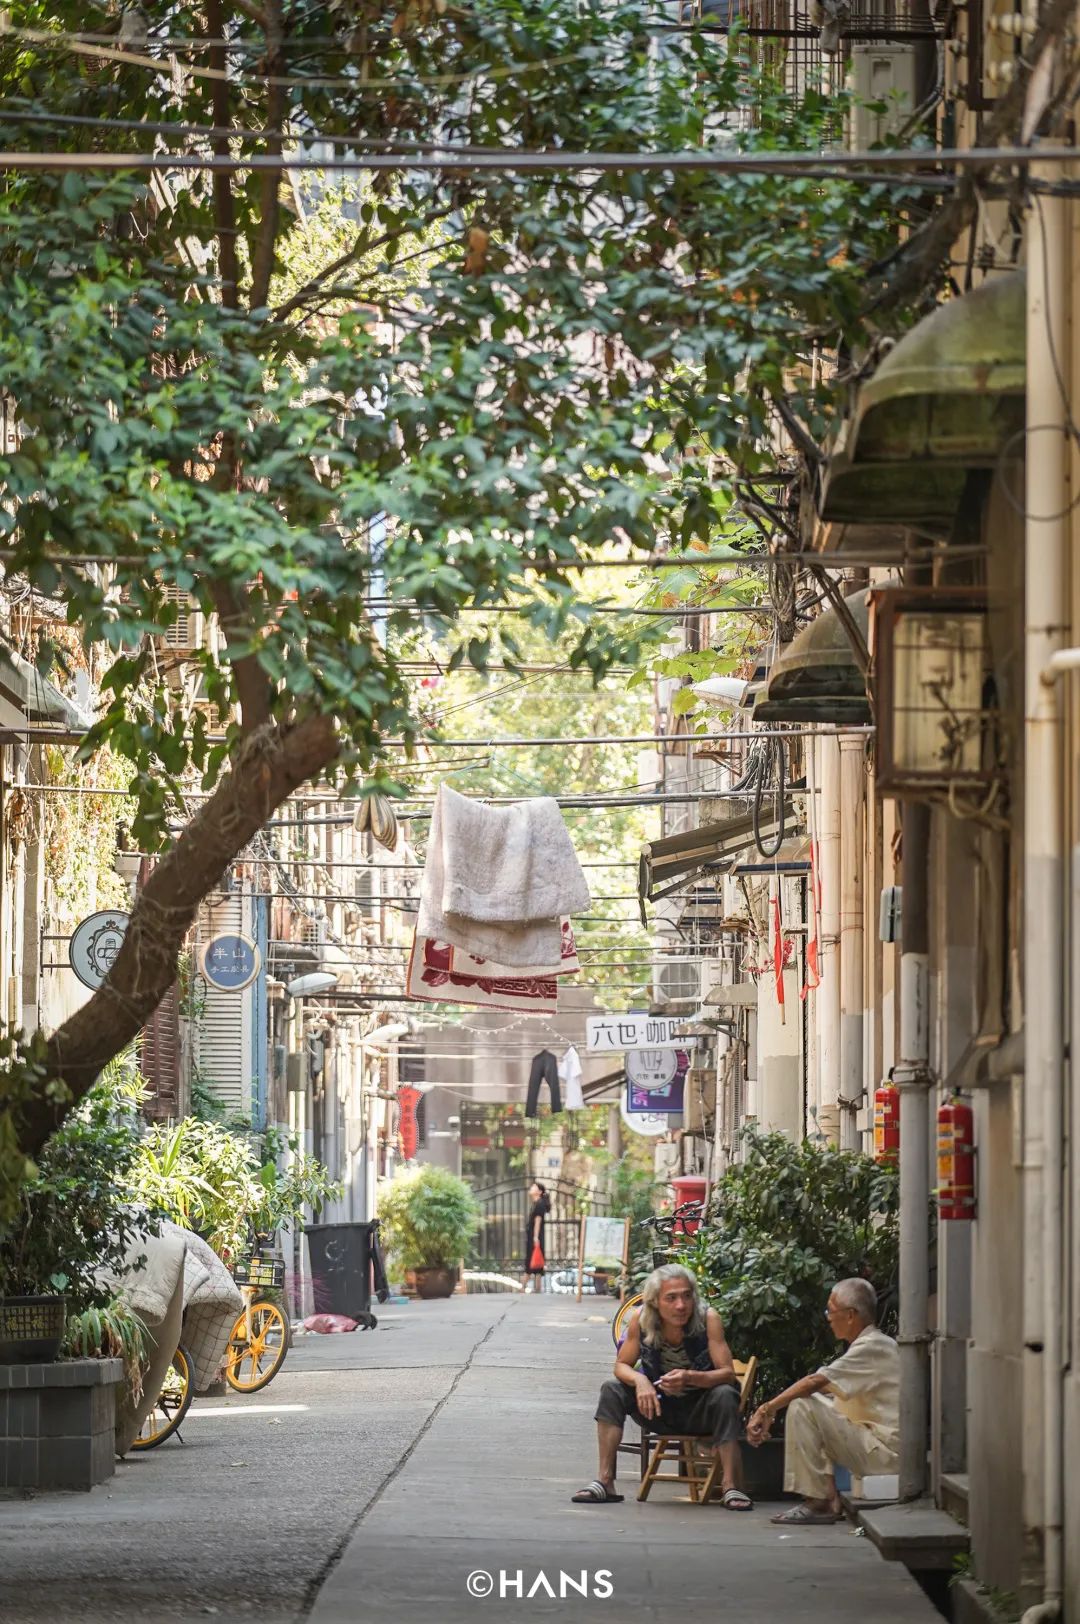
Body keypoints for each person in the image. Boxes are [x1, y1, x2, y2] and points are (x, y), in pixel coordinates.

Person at [571, 1263, 751, 1509]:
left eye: (687, 1296)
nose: (681, 1305)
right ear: (655, 1301)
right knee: (612, 1388)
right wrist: (640, 1380)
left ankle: (731, 1487)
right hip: (656, 1409)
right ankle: (605, 1482)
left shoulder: (708, 1318)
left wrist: (690, 1377)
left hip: (701, 1411)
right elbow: (621, 1365)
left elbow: (728, 1374)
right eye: (672, 1298)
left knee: (725, 1394)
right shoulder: (641, 1319)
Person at [746, 1276, 899, 1525]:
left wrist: (767, 1409)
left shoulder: (873, 1347)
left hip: (886, 1455)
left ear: (850, 1315)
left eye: (831, 1310)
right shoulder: (871, 1346)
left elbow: (813, 1382)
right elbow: (824, 1391)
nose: (828, 1317)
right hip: (878, 1448)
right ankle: (828, 1497)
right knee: (816, 1406)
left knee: (803, 1406)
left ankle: (819, 1503)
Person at [522, 1181, 550, 1293]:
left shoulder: (539, 1204)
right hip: (535, 1236)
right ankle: (537, 1288)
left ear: (539, 1191)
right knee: (536, 1261)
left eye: (534, 1187)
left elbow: (537, 1222)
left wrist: (535, 1237)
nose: (531, 1188)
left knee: (531, 1260)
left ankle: (523, 1287)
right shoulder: (537, 1203)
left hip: (535, 1237)